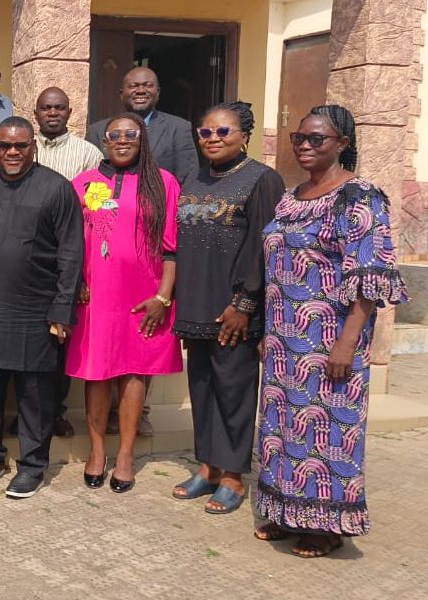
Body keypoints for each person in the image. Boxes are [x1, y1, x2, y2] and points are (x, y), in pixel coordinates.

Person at [254, 105, 407, 558]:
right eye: (298, 138)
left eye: (316, 139)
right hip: (284, 341)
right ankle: (287, 511)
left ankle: (326, 525)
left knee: (329, 433)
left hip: (329, 341)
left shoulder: (359, 197)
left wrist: (347, 341)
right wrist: (269, 331)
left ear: (342, 143)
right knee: (282, 428)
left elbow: (369, 277)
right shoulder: (292, 196)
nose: (305, 145)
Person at [171, 102, 284, 515]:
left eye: (223, 132)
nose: (213, 139)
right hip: (195, 303)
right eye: (206, 132)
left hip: (233, 309)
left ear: (244, 136)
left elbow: (264, 246)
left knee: (233, 391)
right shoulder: (192, 177)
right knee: (202, 389)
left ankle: (234, 474)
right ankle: (208, 467)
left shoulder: (262, 179)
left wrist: (244, 303)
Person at [0, 117, 84, 498]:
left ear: (33, 146)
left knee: (35, 395)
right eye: (5, 145)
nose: (12, 152)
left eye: (20, 145)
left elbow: (71, 253)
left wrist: (62, 310)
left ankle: (32, 465)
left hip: (37, 309)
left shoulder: (57, 189)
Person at [67, 113, 182, 494]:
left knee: (135, 371)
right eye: (113, 134)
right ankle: (97, 450)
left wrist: (163, 296)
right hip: (95, 293)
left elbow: (172, 246)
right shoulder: (84, 183)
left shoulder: (163, 182)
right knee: (97, 371)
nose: (121, 139)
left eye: (130, 133)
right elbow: (70, 241)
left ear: (142, 138)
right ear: (103, 142)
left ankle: (126, 454)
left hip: (144, 295)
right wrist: (76, 282)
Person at [32, 86, 103, 439]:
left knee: (58, 341)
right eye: (46, 108)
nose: (52, 113)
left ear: (69, 112)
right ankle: (28, 413)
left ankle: (55, 412)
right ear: (35, 113)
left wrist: (81, 276)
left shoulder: (89, 154)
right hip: (29, 258)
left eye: (59, 107)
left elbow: (96, 216)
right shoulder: (22, 145)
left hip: (67, 255)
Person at [87, 67, 198, 185]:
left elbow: (189, 177)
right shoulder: (98, 131)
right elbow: (90, 177)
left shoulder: (178, 128)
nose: (140, 90)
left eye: (148, 85)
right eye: (133, 86)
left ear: (158, 92)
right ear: (121, 93)